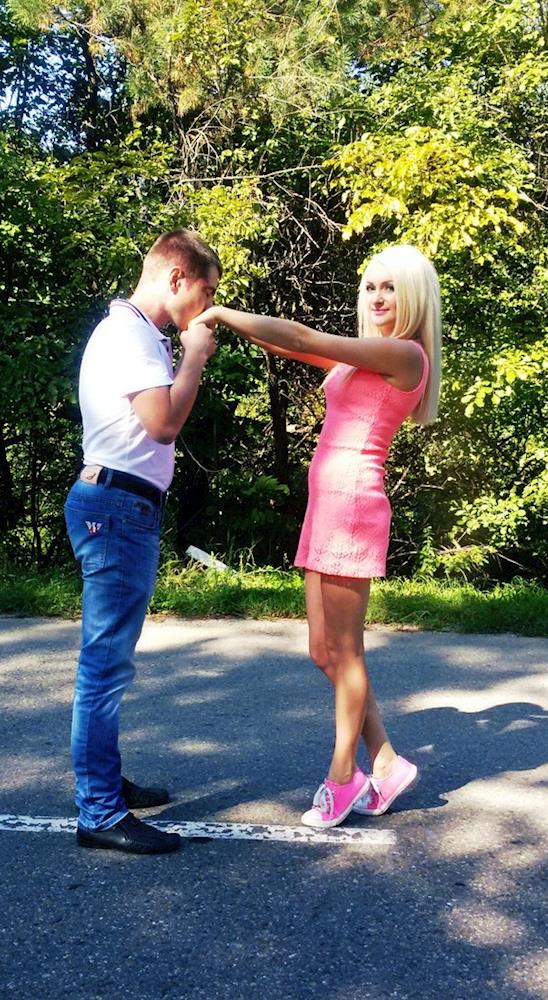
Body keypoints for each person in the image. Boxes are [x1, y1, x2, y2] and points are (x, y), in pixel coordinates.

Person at [193, 244, 441, 828]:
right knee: (323, 652)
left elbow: (304, 337)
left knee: (347, 652)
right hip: (326, 505)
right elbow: (291, 345)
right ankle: (386, 762)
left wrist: (221, 313)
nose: (377, 297)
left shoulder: (404, 353)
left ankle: (342, 774)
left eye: (390, 287)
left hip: (353, 506)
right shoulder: (364, 358)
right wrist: (235, 325)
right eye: (370, 286)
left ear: (413, 296)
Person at [64, 229, 220, 853]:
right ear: (176, 277)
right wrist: (195, 356)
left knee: (108, 663)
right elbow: (162, 424)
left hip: (118, 506)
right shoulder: (132, 334)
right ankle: (100, 811)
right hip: (116, 507)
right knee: (104, 666)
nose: (207, 307)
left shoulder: (136, 333)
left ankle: (104, 784)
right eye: (206, 291)